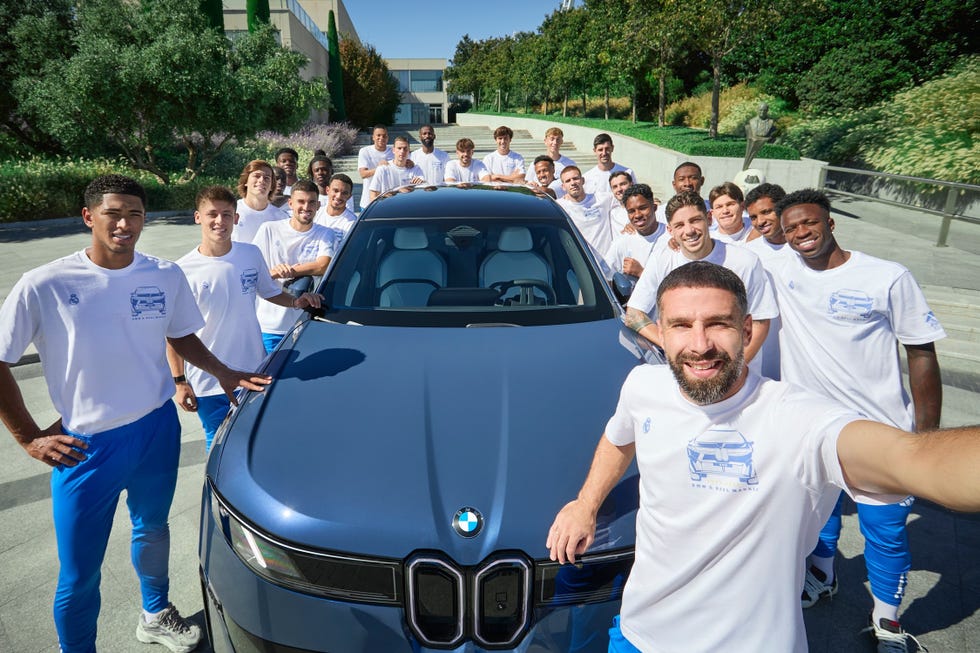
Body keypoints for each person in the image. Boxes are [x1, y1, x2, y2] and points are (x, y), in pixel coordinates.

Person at [547, 260, 980, 653]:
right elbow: (618, 438)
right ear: (661, 330)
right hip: (639, 637)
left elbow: (914, 460)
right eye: (681, 325)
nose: (699, 345)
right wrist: (585, 504)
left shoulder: (799, 419)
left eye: (718, 323)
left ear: (748, 330)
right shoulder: (644, 386)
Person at [0, 174, 272, 653]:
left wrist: (223, 372)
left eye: (134, 214)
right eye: (113, 213)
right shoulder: (45, 283)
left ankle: (154, 613)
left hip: (155, 430)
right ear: (89, 217)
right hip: (87, 447)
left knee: (153, 529)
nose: (124, 224)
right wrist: (27, 437)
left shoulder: (163, 275)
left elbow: (181, 334)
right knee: (79, 573)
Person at [770, 189, 945, 651]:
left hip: (879, 434)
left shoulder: (886, 277)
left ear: (830, 223)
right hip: (808, 429)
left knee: (883, 535)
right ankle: (823, 578)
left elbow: (921, 353)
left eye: (809, 223)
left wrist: (927, 440)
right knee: (817, 517)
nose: (800, 234)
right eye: (791, 228)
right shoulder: (780, 268)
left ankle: (888, 623)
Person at [167, 186, 322, 451]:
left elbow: (271, 291)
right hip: (207, 380)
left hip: (254, 369)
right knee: (217, 443)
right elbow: (175, 333)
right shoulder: (181, 270)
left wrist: (297, 301)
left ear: (236, 219)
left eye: (227, 215)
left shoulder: (250, 254)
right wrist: (180, 382)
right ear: (197, 217)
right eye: (212, 214)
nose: (220, 221)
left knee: (257, 439)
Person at [625, 191, 776, 369]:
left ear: (709, 219)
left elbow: (760, 321)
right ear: (670, 230)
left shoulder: (745, 262)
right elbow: (633, 315)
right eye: (679, 225)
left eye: (695, 220)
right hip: (686, 375)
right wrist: (672, 346)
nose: (689, 231)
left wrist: (735, 369)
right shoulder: (662, 260)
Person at [253, 180, 334, 353]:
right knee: (270, 378)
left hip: (307, 323)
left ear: (319, 205)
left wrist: (289, 270)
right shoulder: (268, 229)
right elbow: (254, 273)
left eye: (312, 202)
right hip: (271, 326)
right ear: (290, 203)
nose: (306, 207)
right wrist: (273, 273)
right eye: (301, 202)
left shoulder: (326, 233)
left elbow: (323, 265)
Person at [742, 183, 790, 381]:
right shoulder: (749, 253)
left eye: (767, 212)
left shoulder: (808, 250)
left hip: (801, 350)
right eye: (753, 217)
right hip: (766, 351)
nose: (760, 221)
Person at [603, 184, 667, 284]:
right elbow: (604, 277)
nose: (637, 215)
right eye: (631, 211)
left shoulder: (671, 237)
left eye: (642, 208)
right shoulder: (622, 242)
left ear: (654, 207)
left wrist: (641, 273)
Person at [556, 165, 617, 255]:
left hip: (609, 264)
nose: (573, 183)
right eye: (568, 181)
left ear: (583, 180)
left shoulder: (603, 199)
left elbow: (625, 201)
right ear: (563, 187)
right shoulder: (559, 207)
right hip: (583, 264)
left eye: (575, 178)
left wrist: (629, 223)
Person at [230, 159, 287, 244]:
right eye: (257, 176)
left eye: (267, 178)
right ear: (246, 181)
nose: (261, 180)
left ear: (272, 186)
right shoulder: (231, 211)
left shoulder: (281, 218)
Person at [368, 136, 425, 203]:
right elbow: (372, 196)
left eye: (405, 148)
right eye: (399, 148)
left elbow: (422, 194)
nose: (402, 151)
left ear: (409, 151)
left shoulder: (416, 169)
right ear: (393, 150)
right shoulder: (382, 169)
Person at [583, 133, 636, 198]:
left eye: (607, 149)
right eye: (600, 150)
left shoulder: (627, 172)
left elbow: (635, 196)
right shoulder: (587, 177)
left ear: (612, 148)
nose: (604, 153)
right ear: (594, 151)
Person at [314, 173, 358, 247]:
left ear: (349, 196)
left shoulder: (352, 223)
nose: (339, 196)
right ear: (327, 190)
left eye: (344, 193)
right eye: (335, 191)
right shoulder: (316, 214)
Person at [357, 124, 393, 209]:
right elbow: (363, 174)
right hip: (368, 202)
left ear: (387, 138)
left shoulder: (393, 151)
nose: (381, 138)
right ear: (373, 137)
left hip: (389, 200)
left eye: (384, 136)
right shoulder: (365, 151)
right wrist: (380, 168)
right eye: (378, 135)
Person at [743, 102, 777, 170]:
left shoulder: (771, 122)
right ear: (757, 110)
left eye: (764, 110)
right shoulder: (752, 121)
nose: (762, 112)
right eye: (760, 110)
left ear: (767, 111)